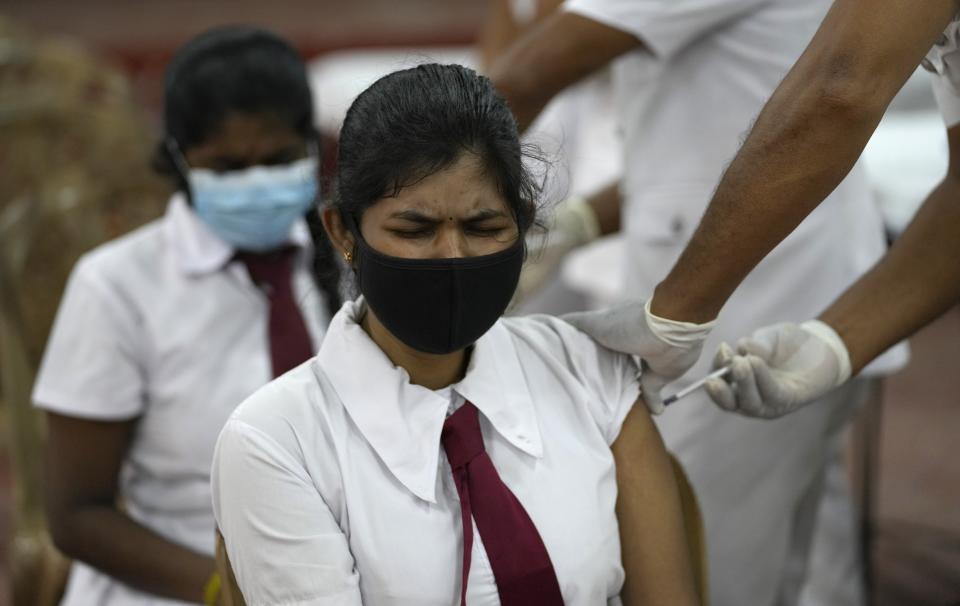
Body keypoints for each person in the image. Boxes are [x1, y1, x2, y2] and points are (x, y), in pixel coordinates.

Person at [211, 63, 699, 606]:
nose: (452, 256)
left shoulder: (588, 372)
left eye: (484, 228)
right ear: (343, 232)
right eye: (414, 231)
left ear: (525, 223)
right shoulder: (279, 440)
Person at [487, 1, 908, 604]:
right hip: (800, 291)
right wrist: (581, 221)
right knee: (790, 567)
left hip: (751, 309)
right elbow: (704, 150)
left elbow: (520, 77)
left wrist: (432, 215)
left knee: (701, 564)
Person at [32, 27, 340, 605]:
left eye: (278, 160)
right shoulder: (117, 285)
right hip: (180, 585)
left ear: (311, 147)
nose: (256, 182)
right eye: (226, 168)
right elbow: (76, 513)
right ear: (178, 159)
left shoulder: (345, 255)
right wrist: (227, 589)